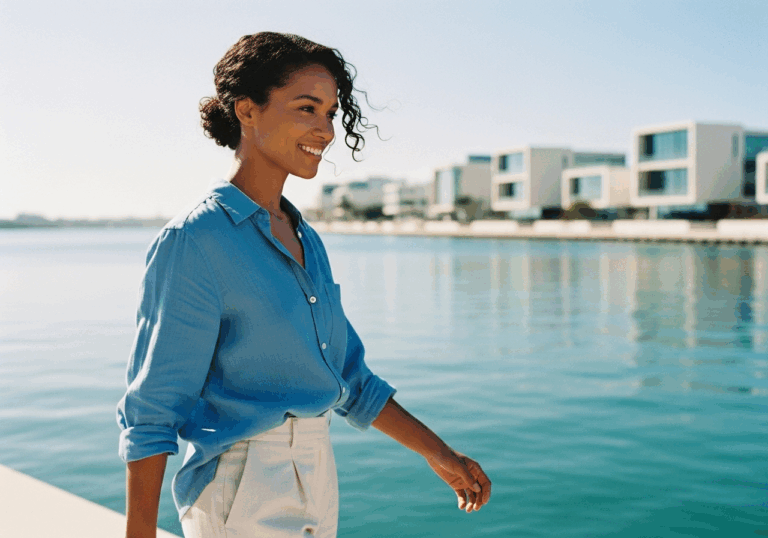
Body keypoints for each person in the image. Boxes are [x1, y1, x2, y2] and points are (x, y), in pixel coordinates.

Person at [117, 32, 491, 538]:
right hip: (240, 483)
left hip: (317, 471)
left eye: (332, 112)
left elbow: (347, 378)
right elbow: (153, 409)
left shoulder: (304, 238)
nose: (326, 129)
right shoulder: (195, 240)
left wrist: (440, 454)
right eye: (307, 108)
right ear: (247, 111)